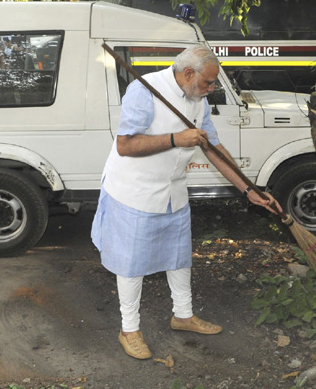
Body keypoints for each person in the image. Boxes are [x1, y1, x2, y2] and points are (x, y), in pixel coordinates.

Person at [91, 45, 282, 360]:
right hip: (134, 191)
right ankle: (129, 329)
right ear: (188, 73)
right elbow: (125, 145)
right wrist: (175, 139)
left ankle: (183, 315)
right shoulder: (145, 91)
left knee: (179, 257)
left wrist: (249, 191)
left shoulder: (198, 99)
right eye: (208, 82)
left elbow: (213, 147)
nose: (211, 89)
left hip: (173, 191)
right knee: (131, 264)